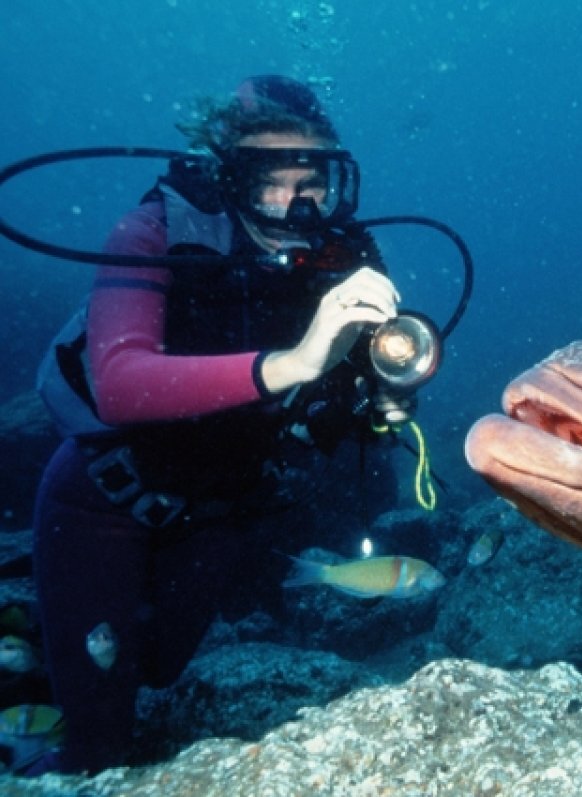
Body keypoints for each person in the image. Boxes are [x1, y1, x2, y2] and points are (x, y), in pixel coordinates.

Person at [31, 75, 405, 773]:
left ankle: (49, 635)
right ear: (229, 175)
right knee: (98, 737)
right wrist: (292, 362)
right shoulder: (154, 230)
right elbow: (119, 383)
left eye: (314, 176)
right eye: (272, 178)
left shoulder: (341, 256)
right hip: (105, 498)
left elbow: (369, 381)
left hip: (221, 512)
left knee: (161, 665)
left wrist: (381, 395)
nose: (299, 200)